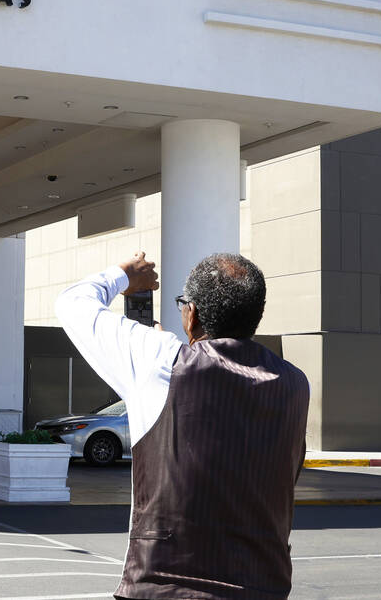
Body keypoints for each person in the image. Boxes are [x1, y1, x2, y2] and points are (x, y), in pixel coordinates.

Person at [55, 252, 310, 600]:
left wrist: (124, 275)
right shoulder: (294, 383)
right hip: (262, 585)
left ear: (192, 315)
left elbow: (73, 303)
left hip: (165, 586)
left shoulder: (160, 360)